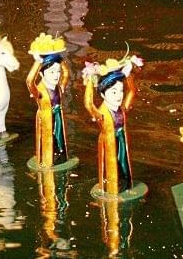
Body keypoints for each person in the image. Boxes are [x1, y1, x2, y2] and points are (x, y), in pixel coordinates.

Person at [83, 53, 143, 196]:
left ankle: (125, 184)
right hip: (108, 143)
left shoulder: (121, 109)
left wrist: (128, 74)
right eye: (113, 92)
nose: (119, 95)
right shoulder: (102, 114)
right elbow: (88, 104)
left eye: (120, 91)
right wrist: (91, 80)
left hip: (121, 139)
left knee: (123, 163)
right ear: (103, 95)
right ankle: (111, 189)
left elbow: (132, 92)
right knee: (110, 168)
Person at [26, 36, 72, 168]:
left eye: (57, 72)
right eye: (51, 72)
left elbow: (66, 73)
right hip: (45, 119)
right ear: (41, 74)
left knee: (59, 138)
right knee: (47, 141)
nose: (56, 75)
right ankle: (47, 160)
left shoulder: (59, 87)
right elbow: (29, 81)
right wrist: (37, 62)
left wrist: (59, 57)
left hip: (58, 116)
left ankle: (61, 157)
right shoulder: (39, 91)